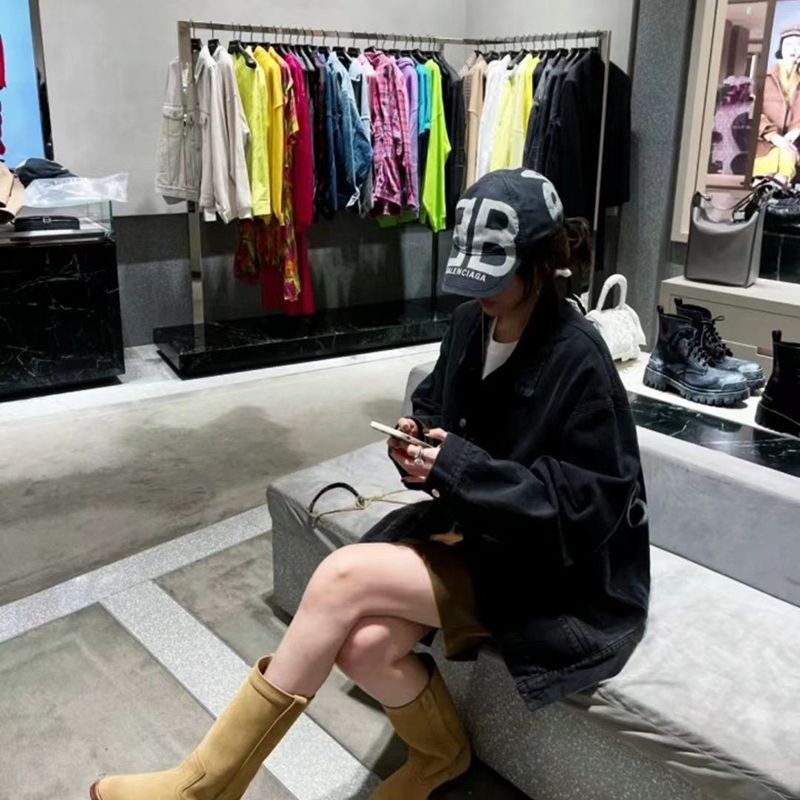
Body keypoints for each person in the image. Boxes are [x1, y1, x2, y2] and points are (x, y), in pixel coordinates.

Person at [90, 169, 651, 800]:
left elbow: (583, 509)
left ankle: (203, 787)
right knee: (364, 648)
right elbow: (437, 404)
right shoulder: (470, 324)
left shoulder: (580, 357)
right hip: (480, 535)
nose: (481, 294)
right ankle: (442, 759)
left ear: (541, 265)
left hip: (553, 571)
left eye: (495, 277)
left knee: (341, 577)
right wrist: (417, 442)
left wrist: (457, 467)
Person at [756, 23, 800, 181]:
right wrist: (772, 135)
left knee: (787, 161)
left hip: (793, 144)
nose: (793, 49)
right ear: (781, 47)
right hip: (763, 143)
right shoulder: (764, 77)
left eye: (798, 44)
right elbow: (753, 111)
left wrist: (797, 129)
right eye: (788, 44)